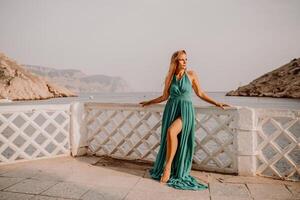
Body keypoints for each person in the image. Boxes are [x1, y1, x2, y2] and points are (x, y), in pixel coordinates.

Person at [139, 49, 231, 190]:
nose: (185, 62)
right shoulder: (170, 77)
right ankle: (169, 167)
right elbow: (164, 97)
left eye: (186, 59)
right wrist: (149, 102)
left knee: (171, 132)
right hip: (171, 110)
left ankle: (168, 167)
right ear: (175, 62)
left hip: (186, 112)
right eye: (182, 60)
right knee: (169, 135)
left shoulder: (192, 75)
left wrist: (217, 103)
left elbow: (200, 93)